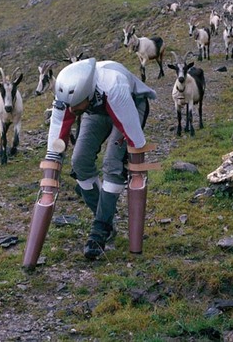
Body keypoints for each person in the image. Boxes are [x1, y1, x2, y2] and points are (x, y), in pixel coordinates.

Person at [41, 57, 156, 259]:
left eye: (74, 107)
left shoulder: (114, 87)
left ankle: (100, 230)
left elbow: (136, 142)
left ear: (86, 94)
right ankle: (104, 219)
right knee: (80, 162)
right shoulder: (67, 94)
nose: (71, 112)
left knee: (113, 163)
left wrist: (136, 163)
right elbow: (56, 139)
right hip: (95, 110)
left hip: (129, 103)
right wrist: (51, 170)